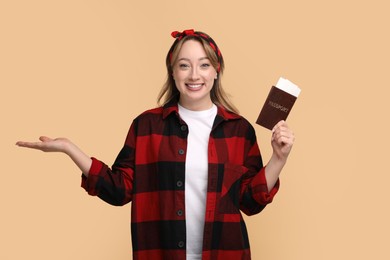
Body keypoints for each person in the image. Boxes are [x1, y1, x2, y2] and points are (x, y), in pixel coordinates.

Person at [16, 29, 295, 260]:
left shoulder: (239, 130)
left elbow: (250, 201)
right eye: (184, 65)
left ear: (216, 71)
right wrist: (69, 148)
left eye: (204, 64)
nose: (194, 75)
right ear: (172, 72)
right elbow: (119, 189)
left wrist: (278, 159)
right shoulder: (146, 126)